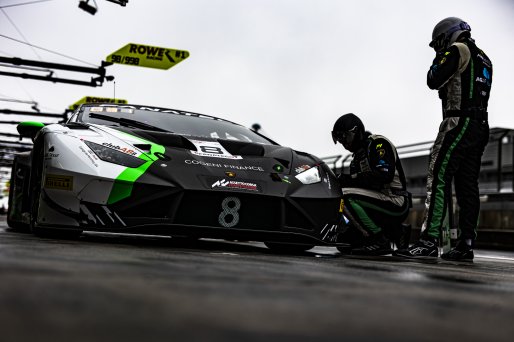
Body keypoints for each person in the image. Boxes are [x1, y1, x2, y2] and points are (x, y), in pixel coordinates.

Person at [396, 17, 492, 261]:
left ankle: (429, 241)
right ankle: (466, 243)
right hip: (480, 126)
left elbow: (432, 79)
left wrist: (439, 61)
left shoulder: (456, 50)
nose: (438, 48)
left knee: (438, 175)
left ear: (448, 35)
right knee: (467, 186)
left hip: (458, 122)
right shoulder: (484, 58)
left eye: (438, 43)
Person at [332, 113, 411, 256]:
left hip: (395, 200)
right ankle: (397, 232)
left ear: (356, 132)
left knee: (344, 195)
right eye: (340, 139)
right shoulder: (356, 159)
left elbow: (384, 176)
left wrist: (348, 178)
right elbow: (360, 184)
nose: (344, 143)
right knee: (344, 242)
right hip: (378, 200)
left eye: (345, 137)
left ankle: (378, 240)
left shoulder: (378, 143)